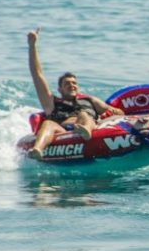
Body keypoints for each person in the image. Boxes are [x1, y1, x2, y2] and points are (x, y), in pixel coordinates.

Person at [26, 29, 124, 159]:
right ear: (60, 90)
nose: (72, 85)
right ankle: (37, 149)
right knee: (48, 123)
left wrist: (112, 116)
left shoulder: (90, 100)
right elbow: (37, 75)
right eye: (67, 84)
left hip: (86, 126)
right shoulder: (52, 103)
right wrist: (32, 45)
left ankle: (86, 131)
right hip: (61, 130)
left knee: (84, 114)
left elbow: (118, 113)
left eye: (74, 83)